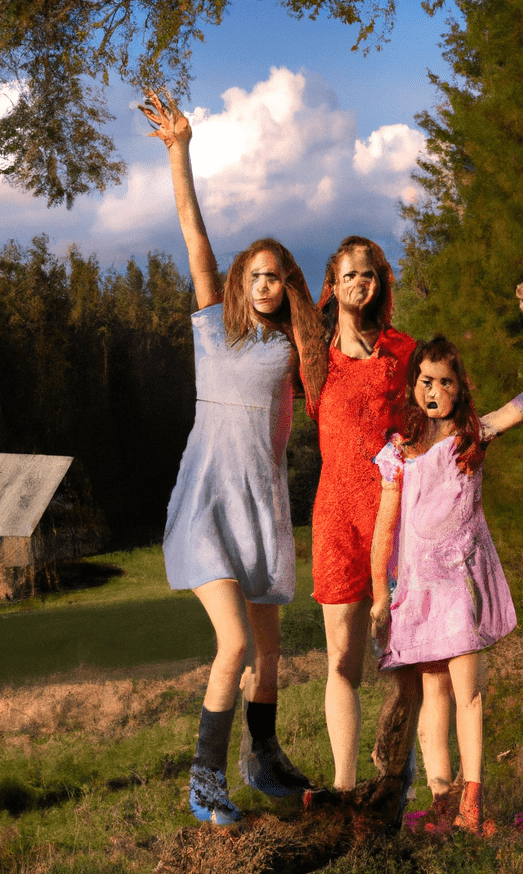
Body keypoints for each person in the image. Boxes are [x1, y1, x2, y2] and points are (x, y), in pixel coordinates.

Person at [140, 93, 327, 825]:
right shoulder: (215, 328)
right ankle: (203, 782)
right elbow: (193, 231)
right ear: (240, 281)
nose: (265, 283)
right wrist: (181, 149)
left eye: (277, 275)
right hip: (208, 504)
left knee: (270, 655)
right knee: (232, 644)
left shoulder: (294, 348)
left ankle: (264, 760)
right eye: (256, 273)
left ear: (286, 287)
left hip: (262, 506)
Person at [369, 284, 523, 836]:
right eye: (426, 381)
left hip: (460, 586)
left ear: (458, 390)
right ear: (414, 386)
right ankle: (442, 803)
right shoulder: (399, 453)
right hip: (418, 592)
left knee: (468, 693)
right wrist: (380, 596)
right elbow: (384, 528)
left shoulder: (475, 435)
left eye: (445, 382)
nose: (434, 391)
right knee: (433, 695)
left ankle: (473, 806)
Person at [310, 236, 420, 791]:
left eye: (369, 274)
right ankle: (345, 790)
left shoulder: (403, 350)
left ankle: (402, 785)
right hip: (333, 517)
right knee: (341, 658)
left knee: (407, 660)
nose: (360, 282)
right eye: (350, 274)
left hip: (392, 519)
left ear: (382, 283)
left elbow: (437, 414)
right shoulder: (313, 357)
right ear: (333, 283)